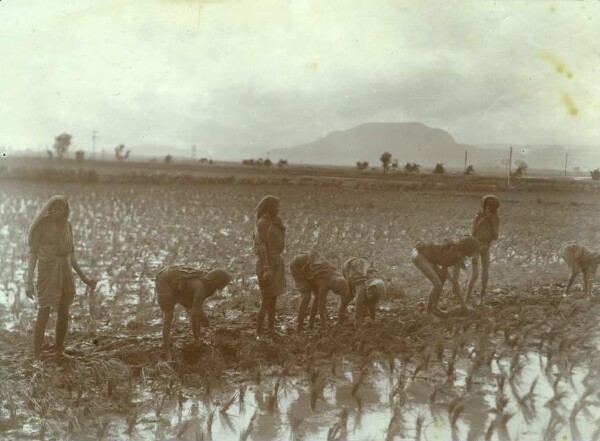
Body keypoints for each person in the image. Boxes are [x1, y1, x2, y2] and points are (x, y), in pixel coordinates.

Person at [26, 195, 97, 360]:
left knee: (64, 309)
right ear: (49, 210)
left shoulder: (67, 226)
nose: (57, 212)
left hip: (65, 271)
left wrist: (85, 278)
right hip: (47, 271)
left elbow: (71, 257)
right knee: (44, 309)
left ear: (66, 211)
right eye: (54, 209)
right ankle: (37, 354)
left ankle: (59, 350)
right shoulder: (41, 226)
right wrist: (28, 282)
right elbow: (33, 254)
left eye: (61, 209)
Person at [155, 265, 231, 355]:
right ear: (218, 281)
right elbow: (194, 315)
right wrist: (196, 340)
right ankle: (166, 345)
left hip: (177, 279)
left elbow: (196, 307)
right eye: (225, 283)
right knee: (168, 313)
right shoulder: (201, 288)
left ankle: (197, 337)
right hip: (165, 279)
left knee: (196, 310)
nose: (225, 286)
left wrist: (200, 313)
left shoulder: (209, 286)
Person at [411, 236, 480, 316]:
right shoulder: (452, 252)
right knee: (437, 283)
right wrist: (454, 284)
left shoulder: (459, 255)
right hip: (419, 255)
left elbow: (455, 279)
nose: (473, 254)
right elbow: (445, 271)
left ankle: (435, 308)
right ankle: (428, 313)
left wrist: (454, 284)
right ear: (468, 248)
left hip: (424, 256)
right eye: (473, 250)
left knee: (441, 278)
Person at [290, 251, 351, 331]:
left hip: (310, 266)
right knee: (306, 296)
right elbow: (321, 307)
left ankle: (310, 324)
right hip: (298, 263)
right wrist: (324, 328)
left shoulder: (337, 275)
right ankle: (299, 326)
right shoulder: (324, 284)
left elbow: (318, 301)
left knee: (317, 297)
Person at [254, 195, 286, 334]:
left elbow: (280, 246)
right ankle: (258, 333)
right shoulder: (262, 223)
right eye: (276, 207)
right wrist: (266, 269)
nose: (278, 210)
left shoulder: (274, 222)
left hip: (276, 263)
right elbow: (262, 248)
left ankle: (271, 328)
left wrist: (282, 228)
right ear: (269, 208)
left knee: (273, 299)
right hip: (266, 265)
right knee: (266, 300)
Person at [467, 195, 500, 305]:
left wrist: (492, 222)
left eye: (492, 206)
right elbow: (472, 234)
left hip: (486, 247)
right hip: (476, 247)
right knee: (475, 273)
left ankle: (481, 297)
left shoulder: (496, 219)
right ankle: (467, 297)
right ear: (483, 205)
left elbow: (495, 236)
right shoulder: (477, 217)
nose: (490, 208)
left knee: (485, 272)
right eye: (488, 205)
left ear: (495, 207)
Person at [341, 257, 386, 326]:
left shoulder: (377, 288)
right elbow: (358, 310)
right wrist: (358, 327)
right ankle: (340, 320)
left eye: (372, 294)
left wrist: (372, 321)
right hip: (348, 269)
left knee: (371, 302)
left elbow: (373, 304)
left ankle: (367, 316)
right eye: (370, 293)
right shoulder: (362, 290)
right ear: (368, 288)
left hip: (360, 271)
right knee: (347, 298)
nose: (370, 295)